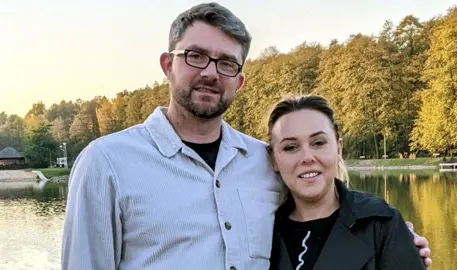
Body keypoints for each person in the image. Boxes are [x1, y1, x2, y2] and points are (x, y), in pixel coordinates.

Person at [61, 2, 431, 270]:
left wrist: (393, 235)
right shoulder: (107, 164)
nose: (209, 72)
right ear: (167, 65)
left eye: (226, 63)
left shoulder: (265, 161)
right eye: (195, 56)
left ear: (238, 81)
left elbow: (324, 207)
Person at [267, 95, 426, 269]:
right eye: (290, 147)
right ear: (274, 159)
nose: (307, 157)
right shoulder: (262, 234)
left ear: (339, 148)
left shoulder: (381, 226)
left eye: (318, 143)